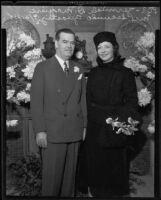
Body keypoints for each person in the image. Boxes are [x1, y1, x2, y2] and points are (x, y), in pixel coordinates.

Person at [79, 31, 141, 197]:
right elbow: (87, 101)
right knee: (95, 173)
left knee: (114, 178)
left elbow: (132, 103)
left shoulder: (125, 73)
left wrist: (117, 122)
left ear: (114, 48)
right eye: (99, 47)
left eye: (106, 46)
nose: (103, 50)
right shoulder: (93, 73)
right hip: (94, 130)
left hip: (115, 130)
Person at [30, 28, 87, 197]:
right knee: (52, 182)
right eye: (64, 41)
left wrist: (84, 126)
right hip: (52, 133)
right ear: (56, 43)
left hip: (74, 130)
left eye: (72, 42)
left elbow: (82, 99)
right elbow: (36, 102)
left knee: (69, 183)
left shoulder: (79, 68)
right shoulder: (42, 68)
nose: (69, 46)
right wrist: (40, 130)